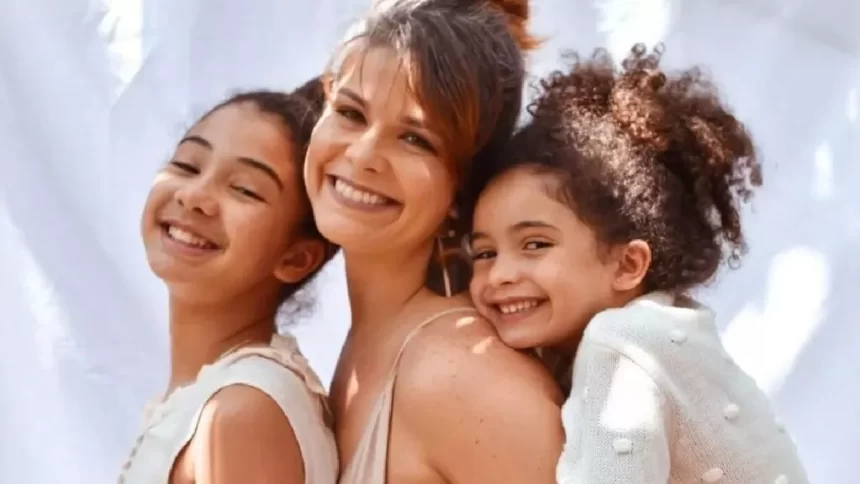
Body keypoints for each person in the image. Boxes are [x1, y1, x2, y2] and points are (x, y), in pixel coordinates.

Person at [466, 44, 810, 483]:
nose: (501, 274)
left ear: (628, 264)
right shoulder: (668, 327)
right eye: (484, 253)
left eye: (535, 244)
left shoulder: (621, 342)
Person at [303, 0, 564, 482]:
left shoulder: (462, 378)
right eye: (350, 113)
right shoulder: (372, 343)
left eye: (416, 140)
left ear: (459, 190)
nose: (362, 156)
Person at [119, 78, 339, 484]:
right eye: (187, 164)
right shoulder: (214, 395)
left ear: (295, 258)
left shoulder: (242, 410)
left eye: (243, 189)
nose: (194, 196)